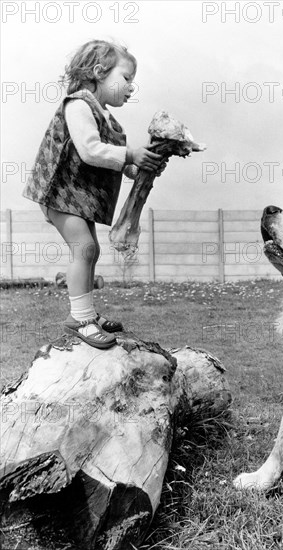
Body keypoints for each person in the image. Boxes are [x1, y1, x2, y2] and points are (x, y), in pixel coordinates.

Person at [23, 40, 166, 349]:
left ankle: (86, 313)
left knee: (91, 251)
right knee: (84, 248)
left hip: (77, 198)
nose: (131, 88)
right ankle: (81, 321)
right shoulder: (78, 106)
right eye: (126, 78)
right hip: (60, 193)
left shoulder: (107, 118)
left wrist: (140, 168)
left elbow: (111, 160)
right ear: (100, 72)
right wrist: (130, 154)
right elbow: (91, 151)